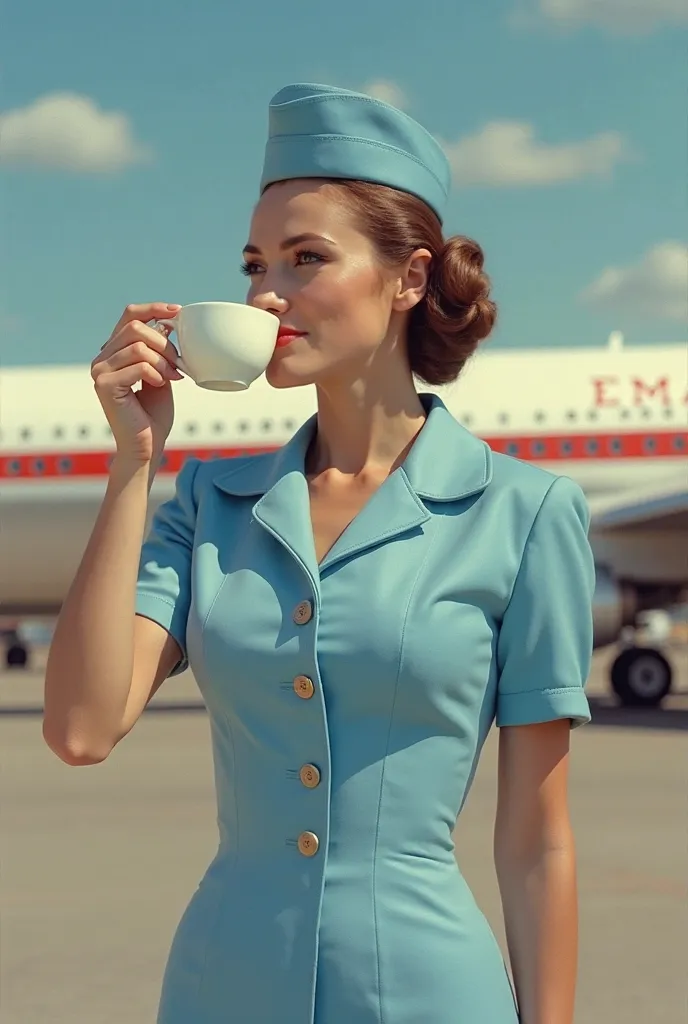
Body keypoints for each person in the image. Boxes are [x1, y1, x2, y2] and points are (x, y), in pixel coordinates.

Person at [43, 83, 595, 1024]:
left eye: (307, 259)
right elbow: (83, 730)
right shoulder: (210, 505)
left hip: (429, 995)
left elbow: (536, 844)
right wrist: (134, 464)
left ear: (409, 279)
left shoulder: (526, 513)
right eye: (257, 262)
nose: (266, 293)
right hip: (225, 987)